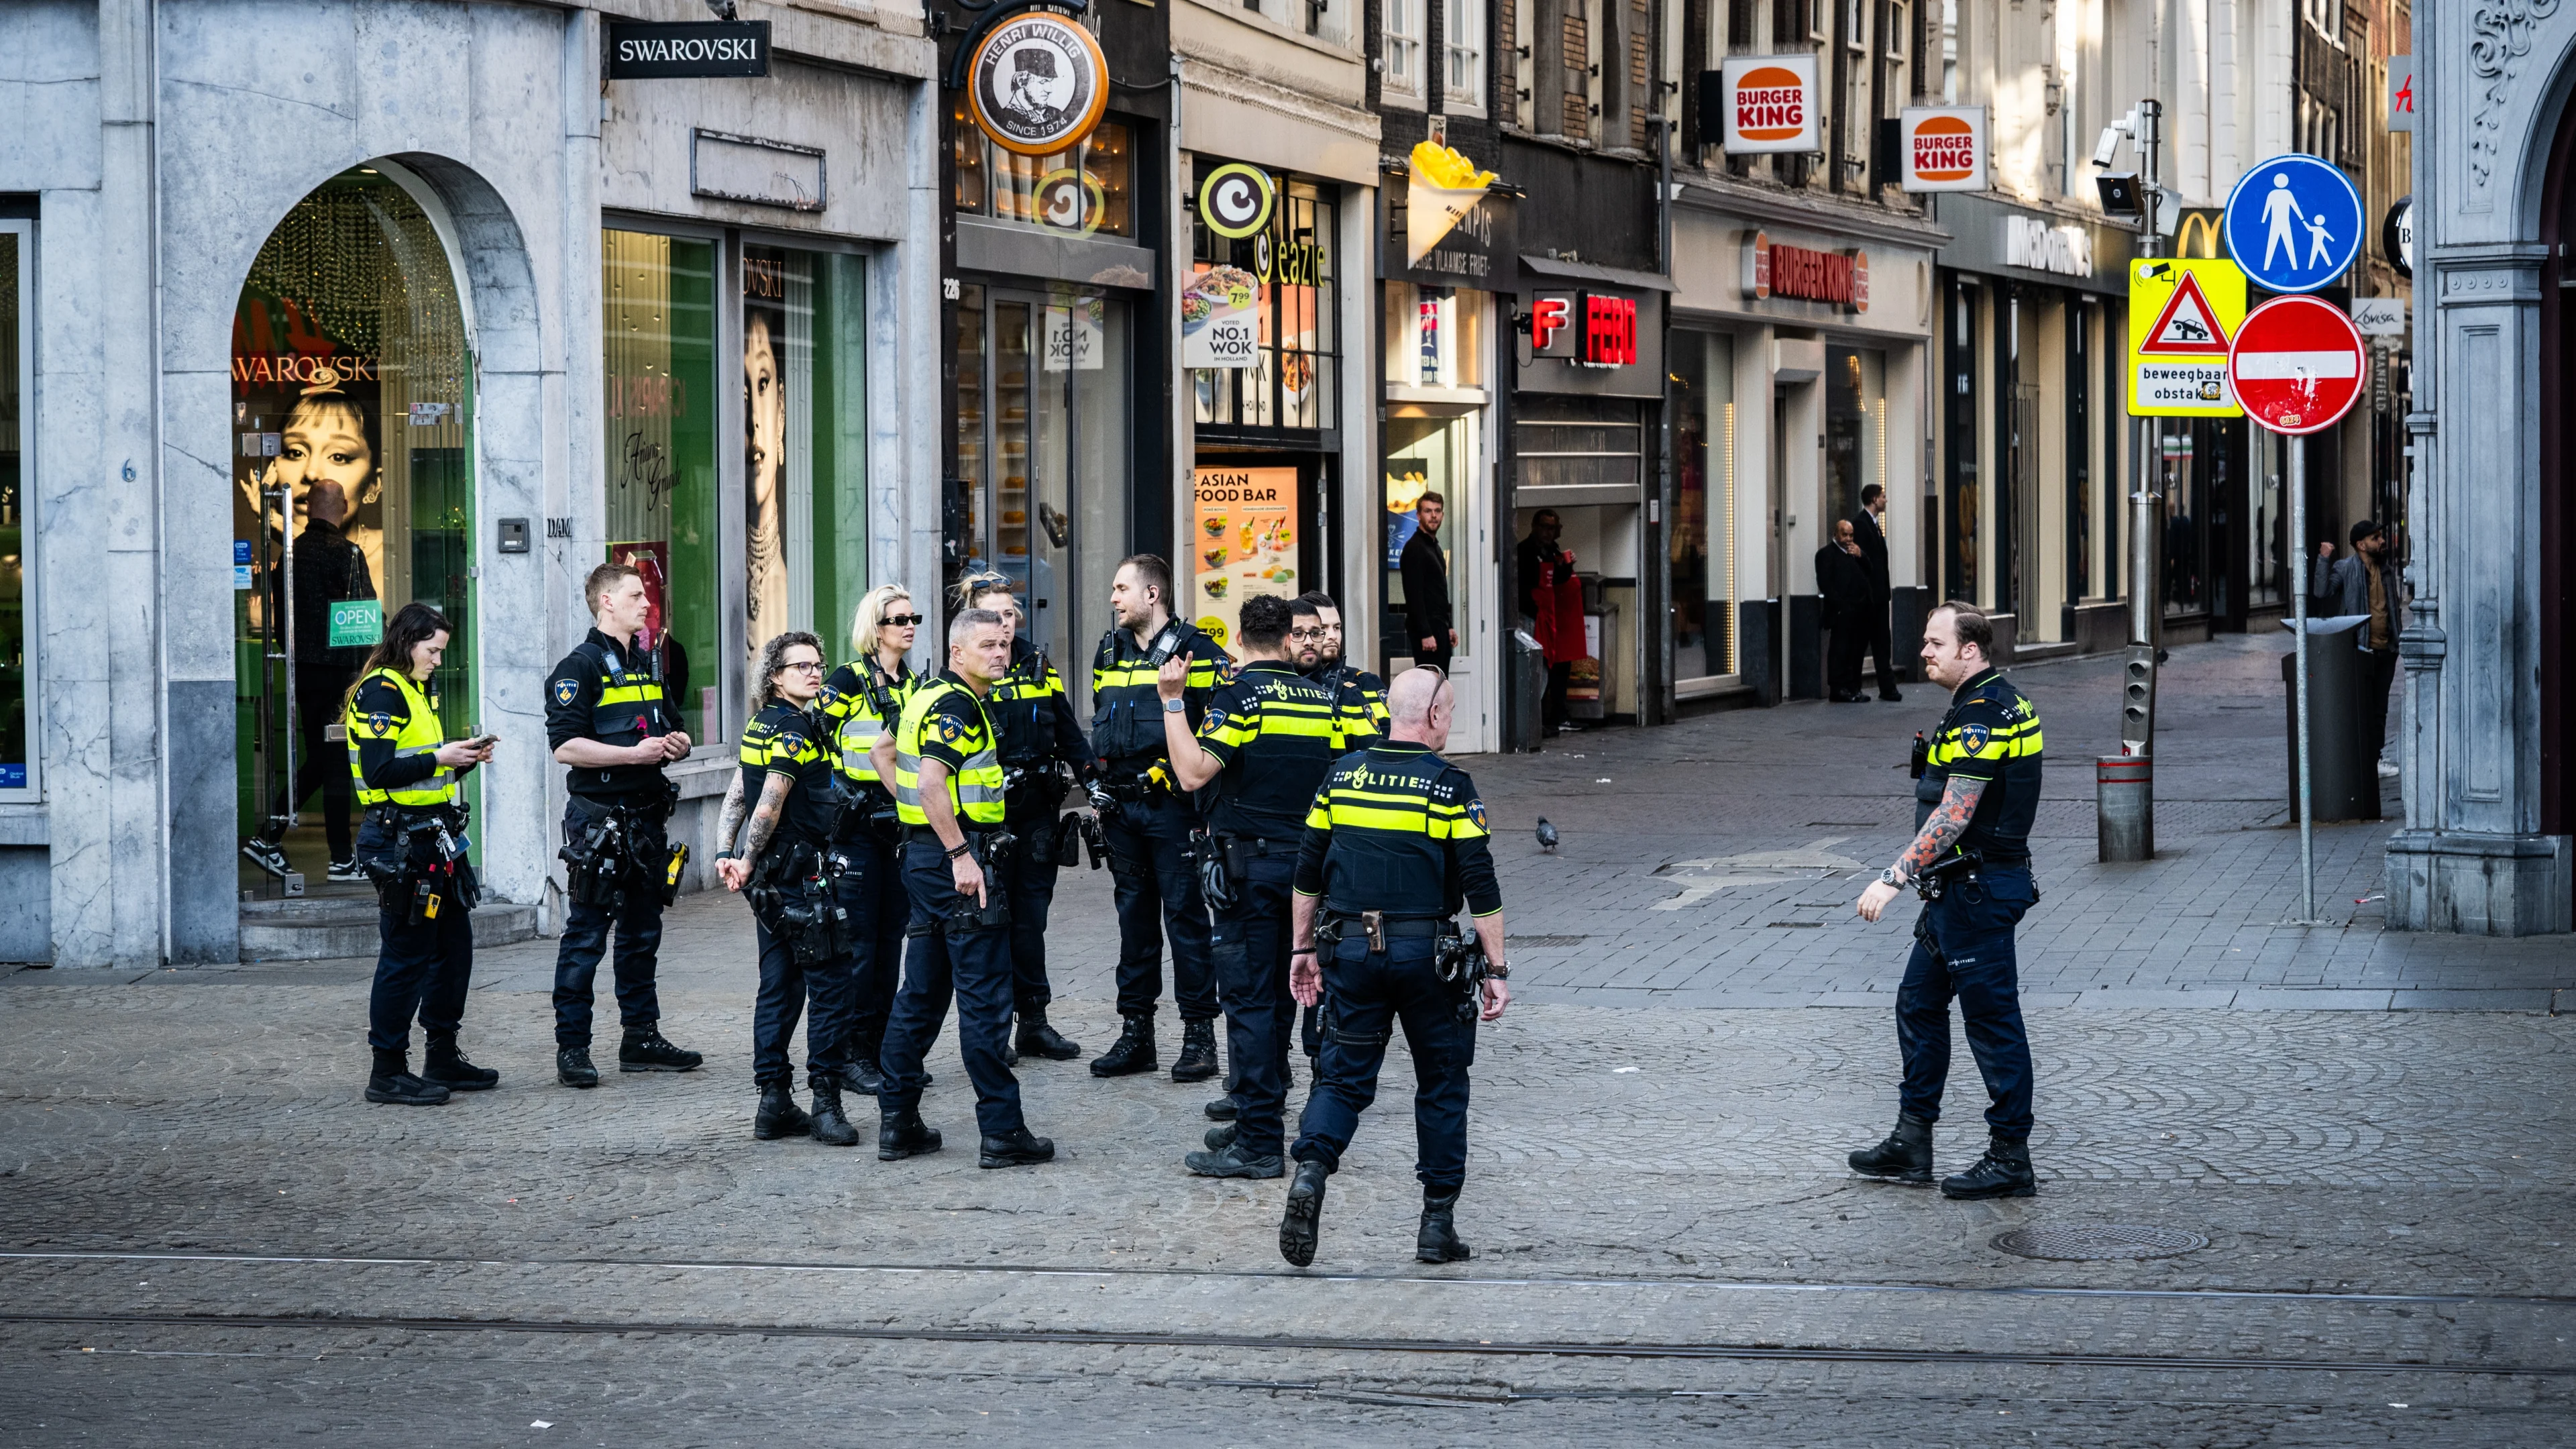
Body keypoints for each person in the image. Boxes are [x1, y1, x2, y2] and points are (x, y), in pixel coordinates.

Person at [1279, 669, 1512, 1267]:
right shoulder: (1447, 785)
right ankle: (1437, 1226)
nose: (1450, 723)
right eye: (1451, 712)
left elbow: (1307, 872)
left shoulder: (1343, 775)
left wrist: (1303, 950)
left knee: (1341, 1079)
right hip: (1425, 957)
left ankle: (1310, 1171)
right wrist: (1497, 967)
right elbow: (1481, 886)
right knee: (1441, 1082)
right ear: (1433, 715)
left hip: (1350, 951)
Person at [1849, 602, 2043, 1200]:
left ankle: (2011, 1157)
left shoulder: (1983, 712)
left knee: (1993, 1023)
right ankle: (1912, 1142)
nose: (1925, 653)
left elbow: (1956, 813)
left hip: (1976, 894)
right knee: (1918, 1004)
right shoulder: (1990, 700)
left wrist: (1894, 876)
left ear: (1970, 649)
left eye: (1936, 643)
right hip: (1960, 893)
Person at [1155, 594, 1344, 1179]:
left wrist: (1171, 704)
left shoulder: (1241, 697)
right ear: (1290, 640)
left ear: (1240, 640)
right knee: (1287, 996)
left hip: (1250, 872)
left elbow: (1191, 773)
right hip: (1306, 873)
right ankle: (1263, 1117)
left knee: (1249, 1002)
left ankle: (1259, 1138)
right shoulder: (1321, 698)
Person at [868, 608, 1057, 1169]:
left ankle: (897, 1123)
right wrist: (958, 852)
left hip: (925, 860)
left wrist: (920, 826)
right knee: (985, 1000)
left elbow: (884, 753)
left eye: (1004, 644)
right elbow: (930, 782)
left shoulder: (924, 694)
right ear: (957, 653)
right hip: (957, 863)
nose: (1000, 653)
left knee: (921, 995)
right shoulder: (956, 705)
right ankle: (1002, 1132)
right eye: (987, 646)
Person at [545, 563, 704, 1089]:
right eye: (636, 595)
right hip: (599, 822)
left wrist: (676, 744)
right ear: (606, 602)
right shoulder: (580, 666)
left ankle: (641, 1038)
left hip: (645, 820)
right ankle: (573, 1048)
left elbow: (671, 726)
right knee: (586, 936)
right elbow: (566, 746)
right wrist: (632, 756)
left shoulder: (647, 663)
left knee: (641, 934)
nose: (646, 603)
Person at [714, 631, 863, 1146]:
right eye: (800, 666)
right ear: (775, 676)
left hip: (772, 882)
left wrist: (724, 853)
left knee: (778, 987)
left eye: (818, 664)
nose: (814, 673)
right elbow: (766, 801)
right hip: (801, 883)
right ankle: (825, 1105)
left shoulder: (761, 723)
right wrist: (742, 857)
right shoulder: (794, 728)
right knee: (829, 989)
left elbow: (737, 792)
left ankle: (773, 1102)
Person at [345, 601, 497, 1106]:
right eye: (432, 650)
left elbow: (423, 776)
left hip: (433, 837)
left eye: (441, 652)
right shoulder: (383, 690)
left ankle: (442, 1055)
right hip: (399, 841)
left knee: (453, 949)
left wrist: (463, 760)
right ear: (408, 641)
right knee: (406, 956)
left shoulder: (415, 689)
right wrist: (441, 756)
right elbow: (380, 772)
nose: (438, 660)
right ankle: (387, 1071)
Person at [1085, 554, 1229, 1083]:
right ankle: (1136, 1034)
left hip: (1174, 810)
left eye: (1122, 588)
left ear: (1153, 595)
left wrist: (1211, 812)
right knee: (1134, 923)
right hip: (1122, 810)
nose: (1113, 597)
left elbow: (1218, 740)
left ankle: (1198, 1036)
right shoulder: (1108, 651)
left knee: (1187, 921)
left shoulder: (1201, 654)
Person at [961, 571, 1091, 1065]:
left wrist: (1091, 776)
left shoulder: (1038, 663)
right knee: (992, 920)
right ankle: (993, 1028)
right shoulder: (968, 669)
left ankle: (1033, 1023)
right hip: (986, 817)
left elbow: (1065, 727)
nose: (1005, 626)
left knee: (1030, 922)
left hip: (1037, 812)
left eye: (1011, 616)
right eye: (994, 617)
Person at [814, 585, 924, 1093]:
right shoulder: (847, 680)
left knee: (889, 941)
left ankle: (881, 1047)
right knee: (858, 944)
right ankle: (849, 1054)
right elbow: (812, 742)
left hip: (896, 826)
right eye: (898, 618)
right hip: (857, 828)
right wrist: (839, 798)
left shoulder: (913, 684)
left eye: (913, 617)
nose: (909, 626)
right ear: (875, 627)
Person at [244, 478, 376, 882]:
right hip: (340, 676)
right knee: (335, 762)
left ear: (309, 509)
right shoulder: (348, 553)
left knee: (321, 760)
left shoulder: (291, 555)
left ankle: (269, 836)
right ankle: (340, 859)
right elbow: (365, 616)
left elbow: (280, 619)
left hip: (303, 674)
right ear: (344, 506)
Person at [2314, 520, 2404, 775]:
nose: (2382, 541)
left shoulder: (2386, 570)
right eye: (2376, 538)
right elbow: (2322, 592)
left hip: (2386, 651)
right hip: (2360, 650)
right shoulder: (2345, 568)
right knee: (2358, 708)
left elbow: (2391, 611)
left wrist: (2397, 643)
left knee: (2379, 711)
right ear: (2361, 545)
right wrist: (2323, 560)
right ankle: (2357, 761)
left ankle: (2374, 761)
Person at [1295, 592, 1389, 751]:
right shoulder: (1286, 682)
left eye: (1337, 628)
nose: (1333, 636)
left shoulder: (1365, 683)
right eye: (1322, 628)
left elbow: (1385, 746)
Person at [1516, 511, 1583, 733]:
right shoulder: (1525, 551)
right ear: (1534, 526)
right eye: (1544, 527)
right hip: (1529, 617)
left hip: (1545, 617)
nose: (1548, 532)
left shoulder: (1550, 551)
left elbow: (1556, 579)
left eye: (1552, 528)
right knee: (1532, 668)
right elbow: (1521, 587)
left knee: (1544, 667)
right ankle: (1530, 720)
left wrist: (1567, 565)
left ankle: (1537, 720)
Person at [1851, 484, 1902, 701]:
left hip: (1879, 597)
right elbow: (1863, 562)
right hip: (1869, 598)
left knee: (1881, 642)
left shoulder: (1873, 525)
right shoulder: (1861, 525)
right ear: (1874, 499)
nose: (1885, 500)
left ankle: (1887, 687)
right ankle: (1854, 687)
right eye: (1883, 496)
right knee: (1862, 642)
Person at [1817, 520, 1874, 704]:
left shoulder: (1853, 553)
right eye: (1845, 534)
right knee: (1840, 650)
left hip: (1860, 611)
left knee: (1856, 651)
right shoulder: (1826, 555)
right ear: (1836, 534)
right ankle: (1839, 689)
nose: (1848, 539)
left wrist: (1862, 555)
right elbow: (1826, 584)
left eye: (1851, 535)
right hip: (1842, 612)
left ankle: (1853, 687)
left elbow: (1870, 571)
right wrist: (1841, 607)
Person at [1400, 492, 1456, 675]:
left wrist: (1448, 627)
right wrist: (1425, 633)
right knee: (1430, 687)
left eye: (1437, 511)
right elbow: (1414, 595)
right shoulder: (1415, 548)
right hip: (1427, 632)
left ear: (1442, 515)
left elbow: (1438, 593)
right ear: (1418, 515)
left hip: (1439, 628)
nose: (1433, 516)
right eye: (1428, 511)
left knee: (1440, 684)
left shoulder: (1434, 547)